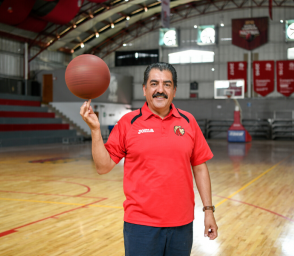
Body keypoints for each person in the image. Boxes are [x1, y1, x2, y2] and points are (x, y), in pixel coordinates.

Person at [80, 62, 218, 256]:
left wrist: (208, 211)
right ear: (144, 89)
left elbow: (200, 167)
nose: (160, 90)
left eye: (166, 84)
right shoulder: (128, 123)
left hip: (182, 225)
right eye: (154, 84)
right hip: (140, 226)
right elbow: (103, 167)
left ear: (174, 90)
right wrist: (95, 130)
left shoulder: (188, 121)